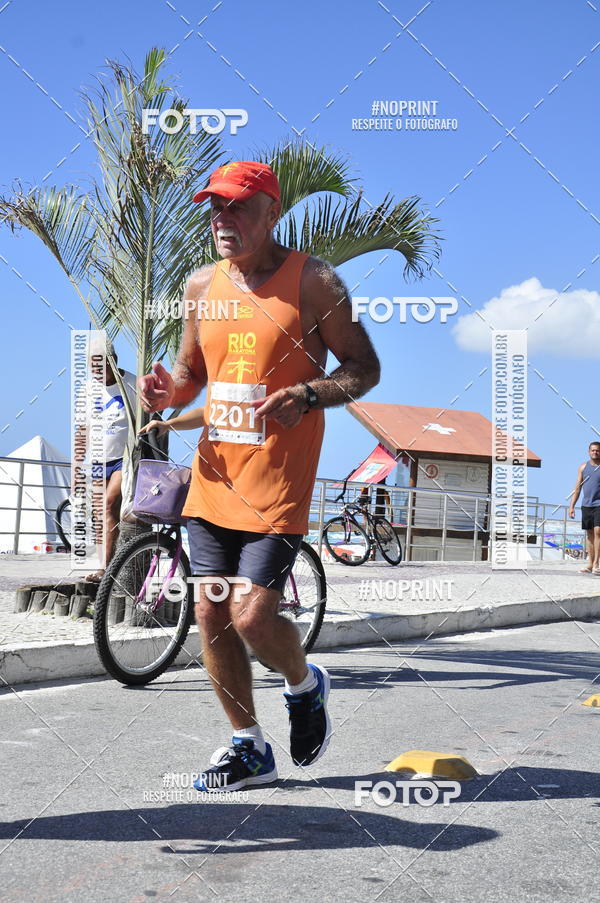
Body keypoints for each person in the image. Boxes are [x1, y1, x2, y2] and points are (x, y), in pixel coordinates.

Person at [138, 160, 380, 791]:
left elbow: (362, 369)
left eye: (238, 208)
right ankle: (248, 746)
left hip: (278, 480)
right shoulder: (200, 287)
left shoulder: (315, 281)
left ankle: (304, 685)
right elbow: (193, 374)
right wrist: (168, 393)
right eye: (215, 209)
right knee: (211, 613)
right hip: (215, 476)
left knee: (251, 617)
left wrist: (306, 393)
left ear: (272, 212)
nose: (223, 220)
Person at [84, 341, 137, 582]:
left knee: (109, 504)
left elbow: (151, 414)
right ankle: (101, 566)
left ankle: (106, 568)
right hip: (97, 459)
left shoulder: (132, 383)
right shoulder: (88, 389)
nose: (97, 371)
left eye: (102, 363)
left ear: (113, 360)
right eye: (92, 366)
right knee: (100, 513)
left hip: (122, 459)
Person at [569, 441, 600, 573]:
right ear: (589, 452)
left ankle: (597, 564)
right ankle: (590, 563)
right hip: (586, 505)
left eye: (597, 450)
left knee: (598, 531)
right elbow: (577, 488)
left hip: (599, 505)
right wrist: (572, 506)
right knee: (590, 534)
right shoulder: (583, 467)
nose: (595, 452)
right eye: (593, 450)